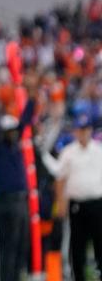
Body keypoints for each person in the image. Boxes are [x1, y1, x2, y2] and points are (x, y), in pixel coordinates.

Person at [0, 80, 35, 281]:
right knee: (7, 247)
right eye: (10, 131)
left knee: (19, 246)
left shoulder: (15, 147)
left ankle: (14, 277)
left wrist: (31, 98)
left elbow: (25, 121)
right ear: (4, 133)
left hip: (19, 201)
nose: (14, 133)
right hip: (6, 202)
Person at [55, 113, 102, 281]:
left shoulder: (98, 150)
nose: (83, 133)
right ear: (75, 132)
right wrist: (61, 204)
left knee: (100, 241)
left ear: (90, 130)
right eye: (80, 130)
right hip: (77, 205)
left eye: (86, 129)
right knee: (77, 244)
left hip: (97, 203)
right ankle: (78, 276)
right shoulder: (68, 153)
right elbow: (60, 180)